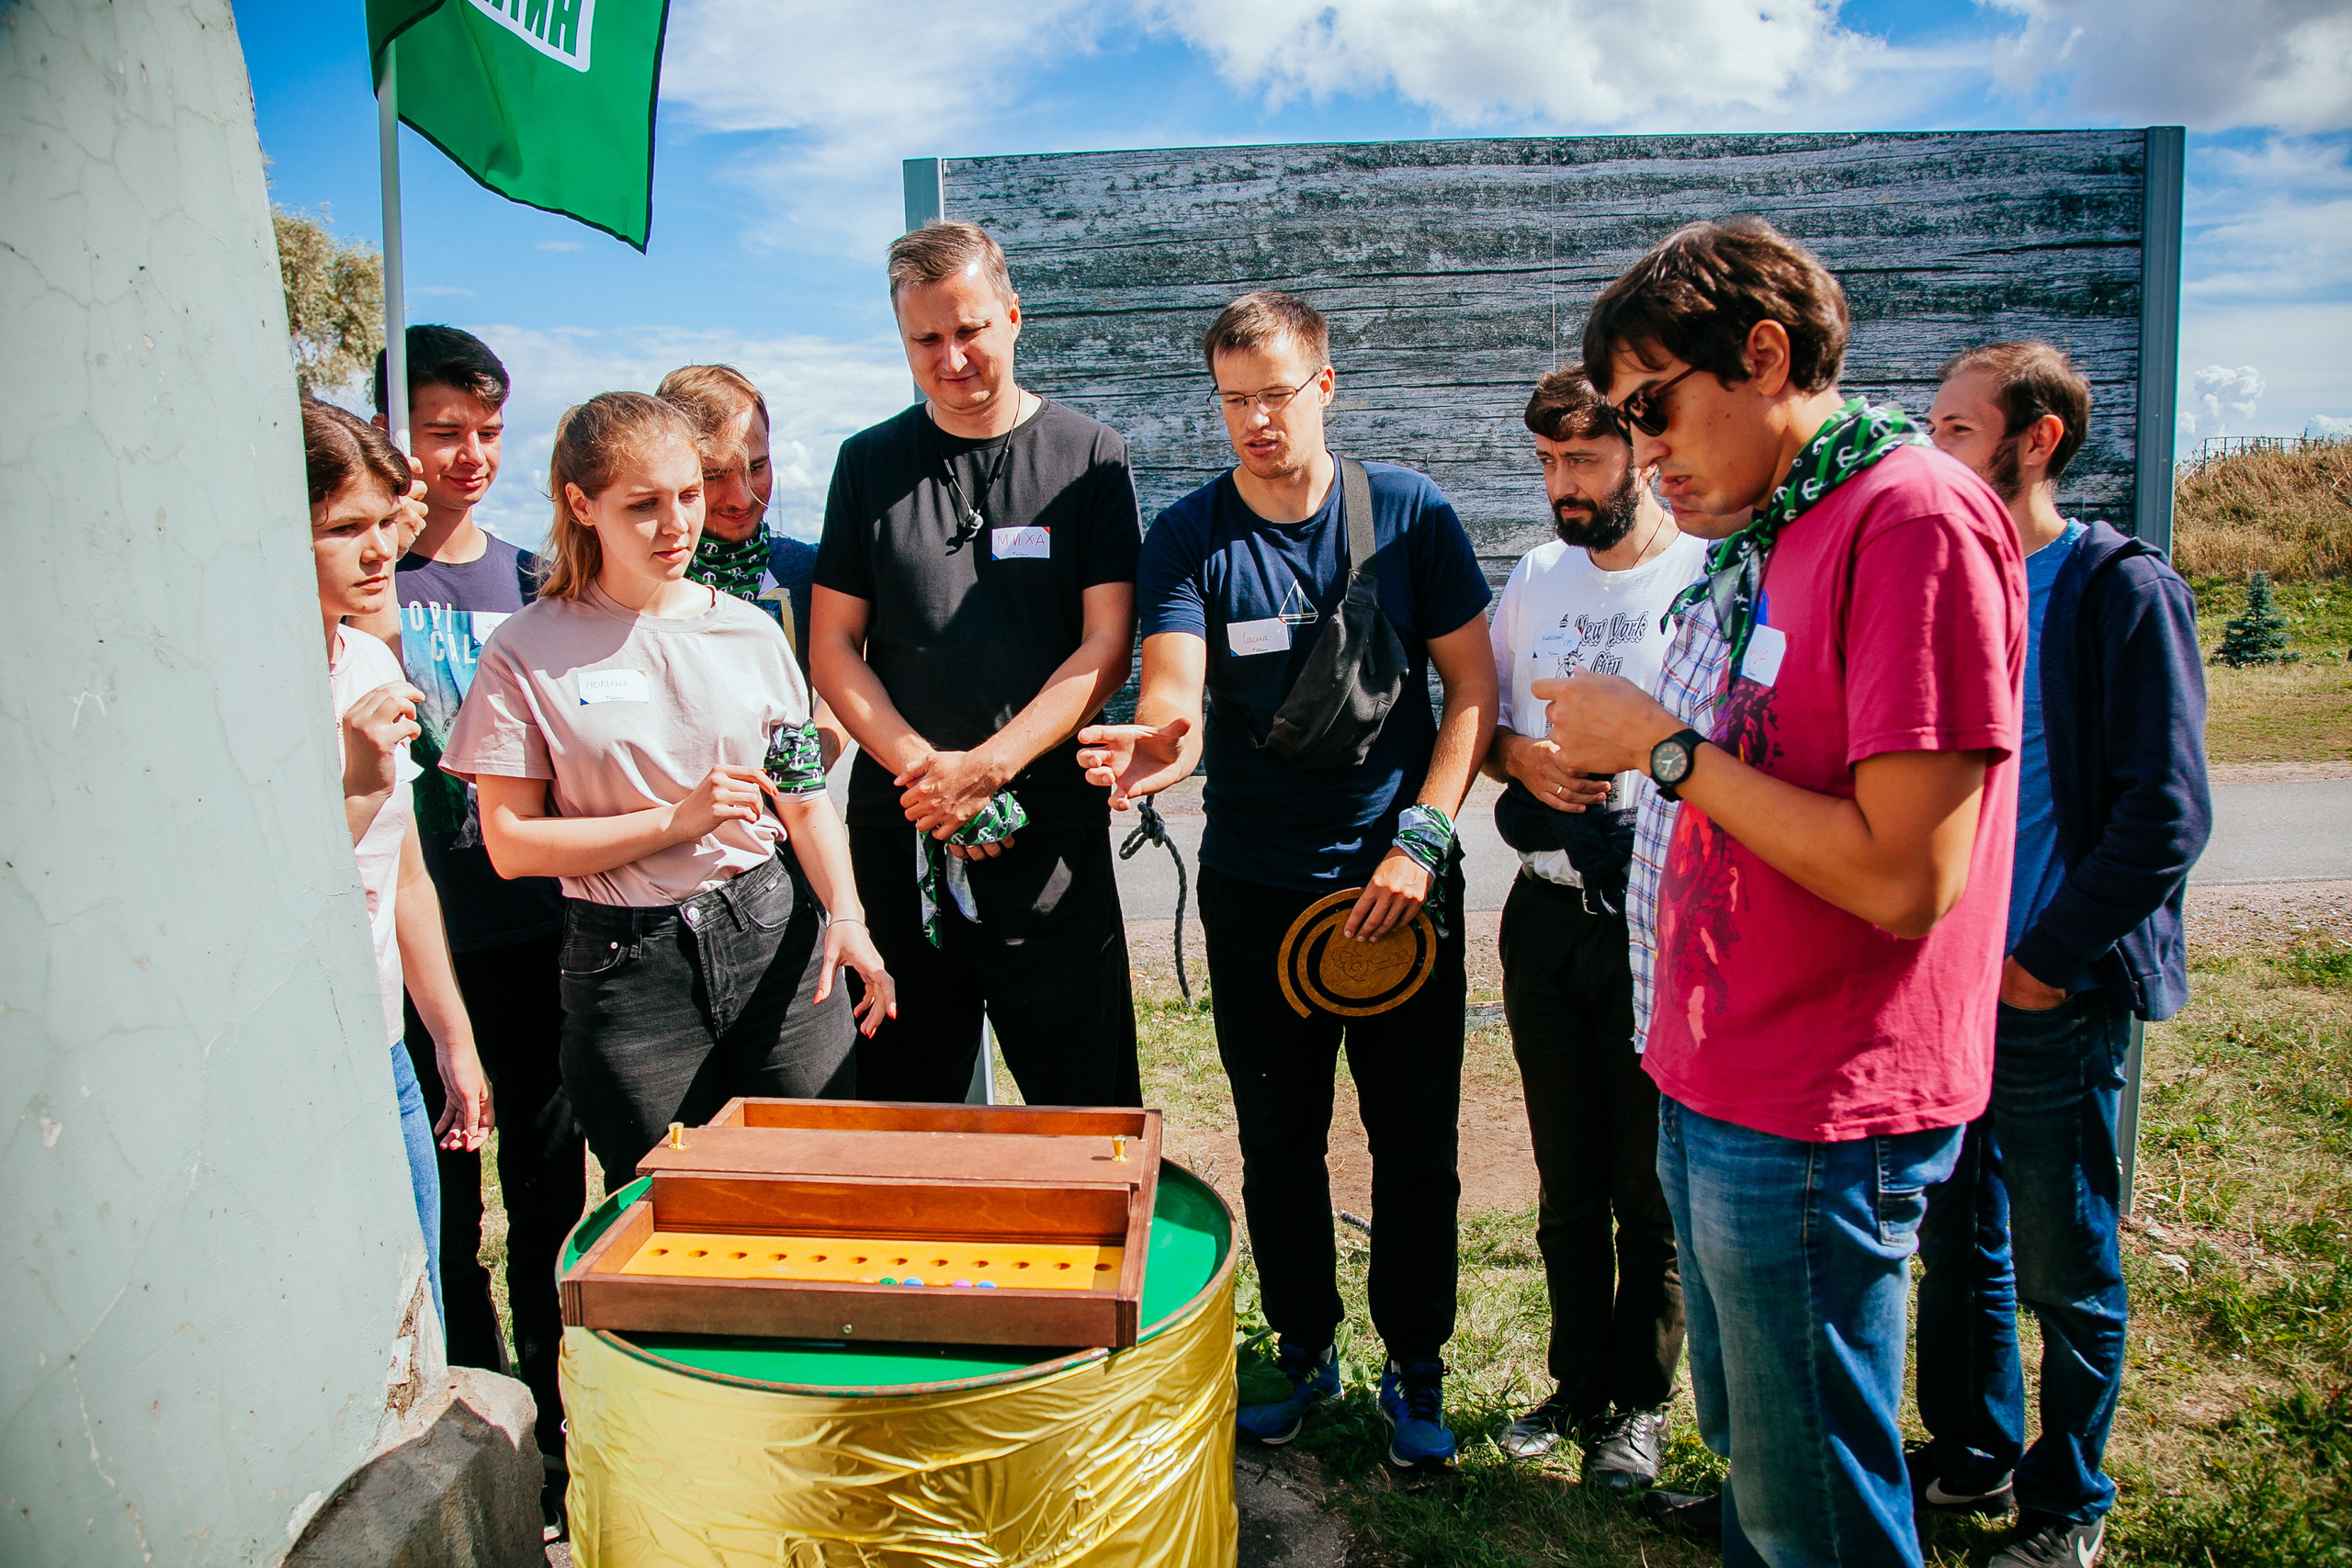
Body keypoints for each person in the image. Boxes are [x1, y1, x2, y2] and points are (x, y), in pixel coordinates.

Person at [1538, 218, 2024, 1567]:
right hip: (1720, 1067)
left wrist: (1661, 747)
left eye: (1653, 408)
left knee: (1817, 1504)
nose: (1643, 453)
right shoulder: (1785, 529)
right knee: (1766, 1462)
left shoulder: (1911, 517)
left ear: (1762, 355)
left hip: (1819, 1097)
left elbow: (1906, 876)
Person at [1076, 290, 1498, 1470]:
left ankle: (1417, 1366)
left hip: (1397, 887)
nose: (1256, 421)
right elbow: (1174, 691)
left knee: (1414, 1142)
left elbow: (1472, 690)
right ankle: (1303, 1345)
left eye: (1275, 395)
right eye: (1233, 402)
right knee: (1277, 1137)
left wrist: (1423, 840)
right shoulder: (1189, 536)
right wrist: (1160, 747)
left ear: (1325, 386)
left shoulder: (1410, 514)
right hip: (1257, 890)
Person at [1913, 342, 2209, 1568]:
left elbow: (2165, 816)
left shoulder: (2116, 589)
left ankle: (2068, 1501)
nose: (1933, 450)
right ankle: (1972, 1451)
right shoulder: (1953, 587)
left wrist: (2043, 958)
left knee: (2064, 1257)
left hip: (2052, 992)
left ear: (2036, 441)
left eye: (1958, 430)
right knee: (1956, 1239)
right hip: (1948, 993)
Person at [442, 392, 892, 1189]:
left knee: (818, 1189)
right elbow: (511, 844)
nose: (678, 523)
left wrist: (847, 916)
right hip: (627, 970)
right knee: (671, 1208)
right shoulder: (524, 649)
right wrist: (674, 821)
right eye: (643, 504)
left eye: (688, 493)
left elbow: (803, 799)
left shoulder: (751, 632)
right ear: (582, 504)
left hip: (775, 943)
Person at [810, 220, 1142, 1108]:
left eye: (969, 330)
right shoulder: (866, 463)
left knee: (1086, 1109)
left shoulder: (1090, 456)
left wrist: (989, 769)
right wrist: (931, 777)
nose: (951, 358)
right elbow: (833, 647)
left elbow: (1107, 644)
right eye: (926, 338)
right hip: (903, 832)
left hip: (1048, 834)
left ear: (1013, 316)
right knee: (904, 1108)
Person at [361, 326, 586, 1509]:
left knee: (549, 1187)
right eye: (442, 431)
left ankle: (554, 1426)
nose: (470, 456)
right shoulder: (363, 580)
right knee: (445, 1211)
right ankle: (472, 1422)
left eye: (489, 433)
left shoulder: (530, 576)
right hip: (419, 945)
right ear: (390, 430)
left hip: (536, 930)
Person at [1484, 366, 1703, 1486]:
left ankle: (1641, 1404)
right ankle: (1572, 1386)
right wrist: (1519, 759)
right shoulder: (1534, 577)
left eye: (1582, 459)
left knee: (1645, 1184)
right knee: (1565, 1176)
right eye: (1545, 462)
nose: (1560, 484)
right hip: (1544, 914)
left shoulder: (1701, 573)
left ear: (1640, 452)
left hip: (1656, 920)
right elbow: (1485, 726)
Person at [301, 398, 494, 1337]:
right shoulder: (238, 688)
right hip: (296, 1057)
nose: (381, 550)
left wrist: (451, 1041)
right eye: (344, 528)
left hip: (386, 1048)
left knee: (422, 1305)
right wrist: (350, 784)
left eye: (385, 521)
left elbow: (406, 878)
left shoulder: (372, 669)